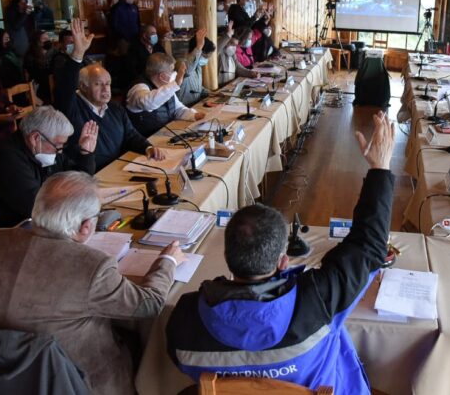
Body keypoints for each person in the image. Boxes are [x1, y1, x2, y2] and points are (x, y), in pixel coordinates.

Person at [165, 112, 396, 394]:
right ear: (283, 261)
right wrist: (380, 168)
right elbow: (369, 246)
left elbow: (180, 362)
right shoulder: (318, 300)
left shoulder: (185, 318)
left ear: (227, 256)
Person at [0, 171, 185, 395]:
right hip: (73, 382)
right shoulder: (93, 266)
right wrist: (168, 261)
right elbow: (149, 305)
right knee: (144, 341)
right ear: (85, 226)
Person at [55, 19, 165, 170]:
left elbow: (131, 135)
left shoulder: (115, 108)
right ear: (83, 87)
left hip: (118, 169)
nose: (105, 89)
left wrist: (148, 147)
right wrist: (78, 54)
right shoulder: (72, 108)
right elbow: (65, 89)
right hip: (90, 174)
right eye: (98, 84)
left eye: (108, 84)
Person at [0, 106, 98, 227]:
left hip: (48, 220)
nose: (60, 151)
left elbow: (77, 179)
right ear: (35, 138)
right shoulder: (5, 157)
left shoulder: (45, 147)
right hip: (21, 228)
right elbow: (37, 206)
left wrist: (85, 153)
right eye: (58, 145)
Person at [126, 52, 205, 137]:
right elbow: (148, 103)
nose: (174, 73)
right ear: (162, 76)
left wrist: (194, 115)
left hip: (165, 135)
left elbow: (177, 109)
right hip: (145, 140)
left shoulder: (167, 87)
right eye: (172, 71)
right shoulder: (137, 89)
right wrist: (175, 84)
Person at [178, 27, 215, 106]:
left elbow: (197, 88)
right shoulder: (182, 63)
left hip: (195, 105)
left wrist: (210, 93)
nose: (206, 60)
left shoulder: (198, 66)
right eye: (205, 57)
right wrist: (198, 47)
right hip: (185, 108)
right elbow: (187, 70)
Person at [23, 30, 53, 103]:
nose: (48, 40)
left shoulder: (52, 52)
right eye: (44, 39)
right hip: (38, 87)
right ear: (37, 41)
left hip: (50, 83)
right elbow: (37, 75)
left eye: (48, 38)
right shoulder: (30, 56)